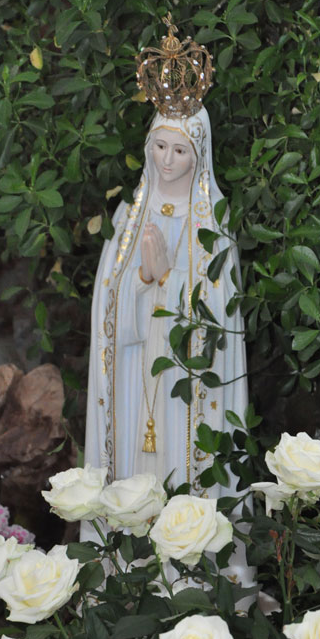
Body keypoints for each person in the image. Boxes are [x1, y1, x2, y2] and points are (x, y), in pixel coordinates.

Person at [84, 106, 248, 498]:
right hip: (135, 366)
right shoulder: (130, 215)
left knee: (182, 454)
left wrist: (167, 278)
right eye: (160, 146)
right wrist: (143, 278)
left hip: (187, 374)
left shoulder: (213, 220)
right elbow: (107, 301)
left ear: (199, 154)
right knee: (132, 464)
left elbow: (222, 310)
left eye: (180, 150)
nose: (167, 160)